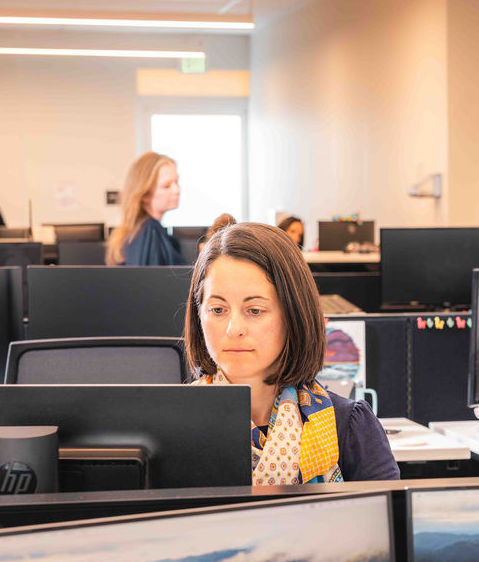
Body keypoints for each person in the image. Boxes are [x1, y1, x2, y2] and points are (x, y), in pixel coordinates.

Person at [185, 223, 399, 483]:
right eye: (218, 310)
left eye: (255, 310)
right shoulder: (177, 426)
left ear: (293, 315)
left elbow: (384, 523)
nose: (234, 329)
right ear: (199, 315)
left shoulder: (349, 427)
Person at [106, 152, 186, 266]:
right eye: (166, 186)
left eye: (176, 182)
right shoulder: (150, 231)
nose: (177, 190)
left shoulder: (139, 230)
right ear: (144, 195)